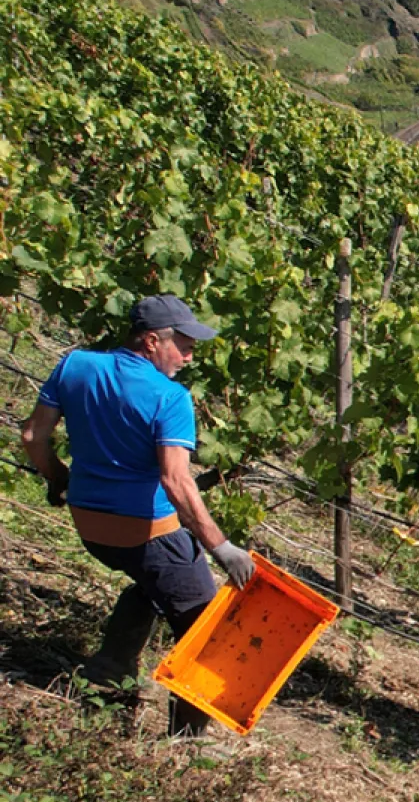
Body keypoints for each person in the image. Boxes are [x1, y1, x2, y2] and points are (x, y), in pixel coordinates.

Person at [21, 295, 255, 734]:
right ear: (151, 341)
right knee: (205, 628)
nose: (189, 358)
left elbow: (33, 436)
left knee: (153, 582)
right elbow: (176, 481)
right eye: (184, 347)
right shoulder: (170, 398)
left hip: (90, 526)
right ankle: (188, 740)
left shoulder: (75, 366)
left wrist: (58, 478)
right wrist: (221, 547)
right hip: (147, 533)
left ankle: (108, 671)